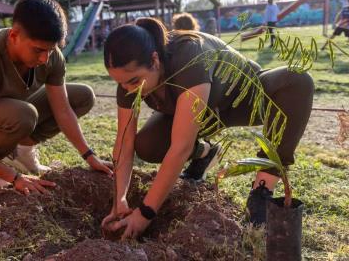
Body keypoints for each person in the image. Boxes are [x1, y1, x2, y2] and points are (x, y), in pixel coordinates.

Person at [101, 17, 314, 239]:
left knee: (298, 80)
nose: (128, 89)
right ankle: (204, 152)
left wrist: (145, 213)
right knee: (147, 145)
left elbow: (180, 146)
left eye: (134, 82)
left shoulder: (189, 54)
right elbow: (124, 142)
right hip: (197, 113)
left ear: (154, 60)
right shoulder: (128, 79)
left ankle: (262, 190)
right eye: (121, 83)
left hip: (243, 98)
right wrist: (120, 199)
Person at [0, 0, 113, 195]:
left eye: (51, 50)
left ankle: (22, 154)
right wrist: (15, 179)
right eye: (38, 50)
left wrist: (89, 156)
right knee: (23, 115)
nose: (44, 58)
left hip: (16, 108)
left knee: (83, 96)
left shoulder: (50, 55)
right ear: (14, 36)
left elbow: (63, 109)